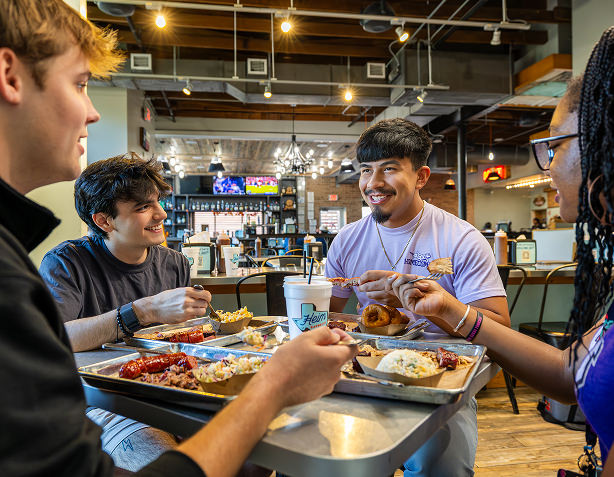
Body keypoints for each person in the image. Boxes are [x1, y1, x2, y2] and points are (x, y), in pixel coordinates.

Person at [0, 2, 357, 476]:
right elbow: (61, 344)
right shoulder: (57, 262)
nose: (92, 113)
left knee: (265, 458)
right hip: (113, 403)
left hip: (179, 390)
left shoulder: (170, 262)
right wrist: (274, 384)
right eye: (81, 84)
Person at [387, 27, 614, 476]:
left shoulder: (461, 236)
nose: (546, 169)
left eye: (554, 145)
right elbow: (570, 376)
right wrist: (454, 312)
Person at [325, 118, 509, 476]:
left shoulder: (460, 239)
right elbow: (327, 318)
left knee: (440, 467)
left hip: (440, 380)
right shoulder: (347, 240)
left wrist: (433, 306)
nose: (373, 183)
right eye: (366, 170)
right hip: (364, 374)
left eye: (389, 169)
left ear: (421, 177)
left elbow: (499, 327)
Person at [38, 153, 215, 471]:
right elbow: (54, 339)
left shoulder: (174, 262)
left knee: (253, 453)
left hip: (177, 390)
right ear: (103, 221)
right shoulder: (67, 263)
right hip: (104, 401)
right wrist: (143, 310)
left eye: (158, 201)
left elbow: (184, 342)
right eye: (143, 207)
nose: (161, 213)